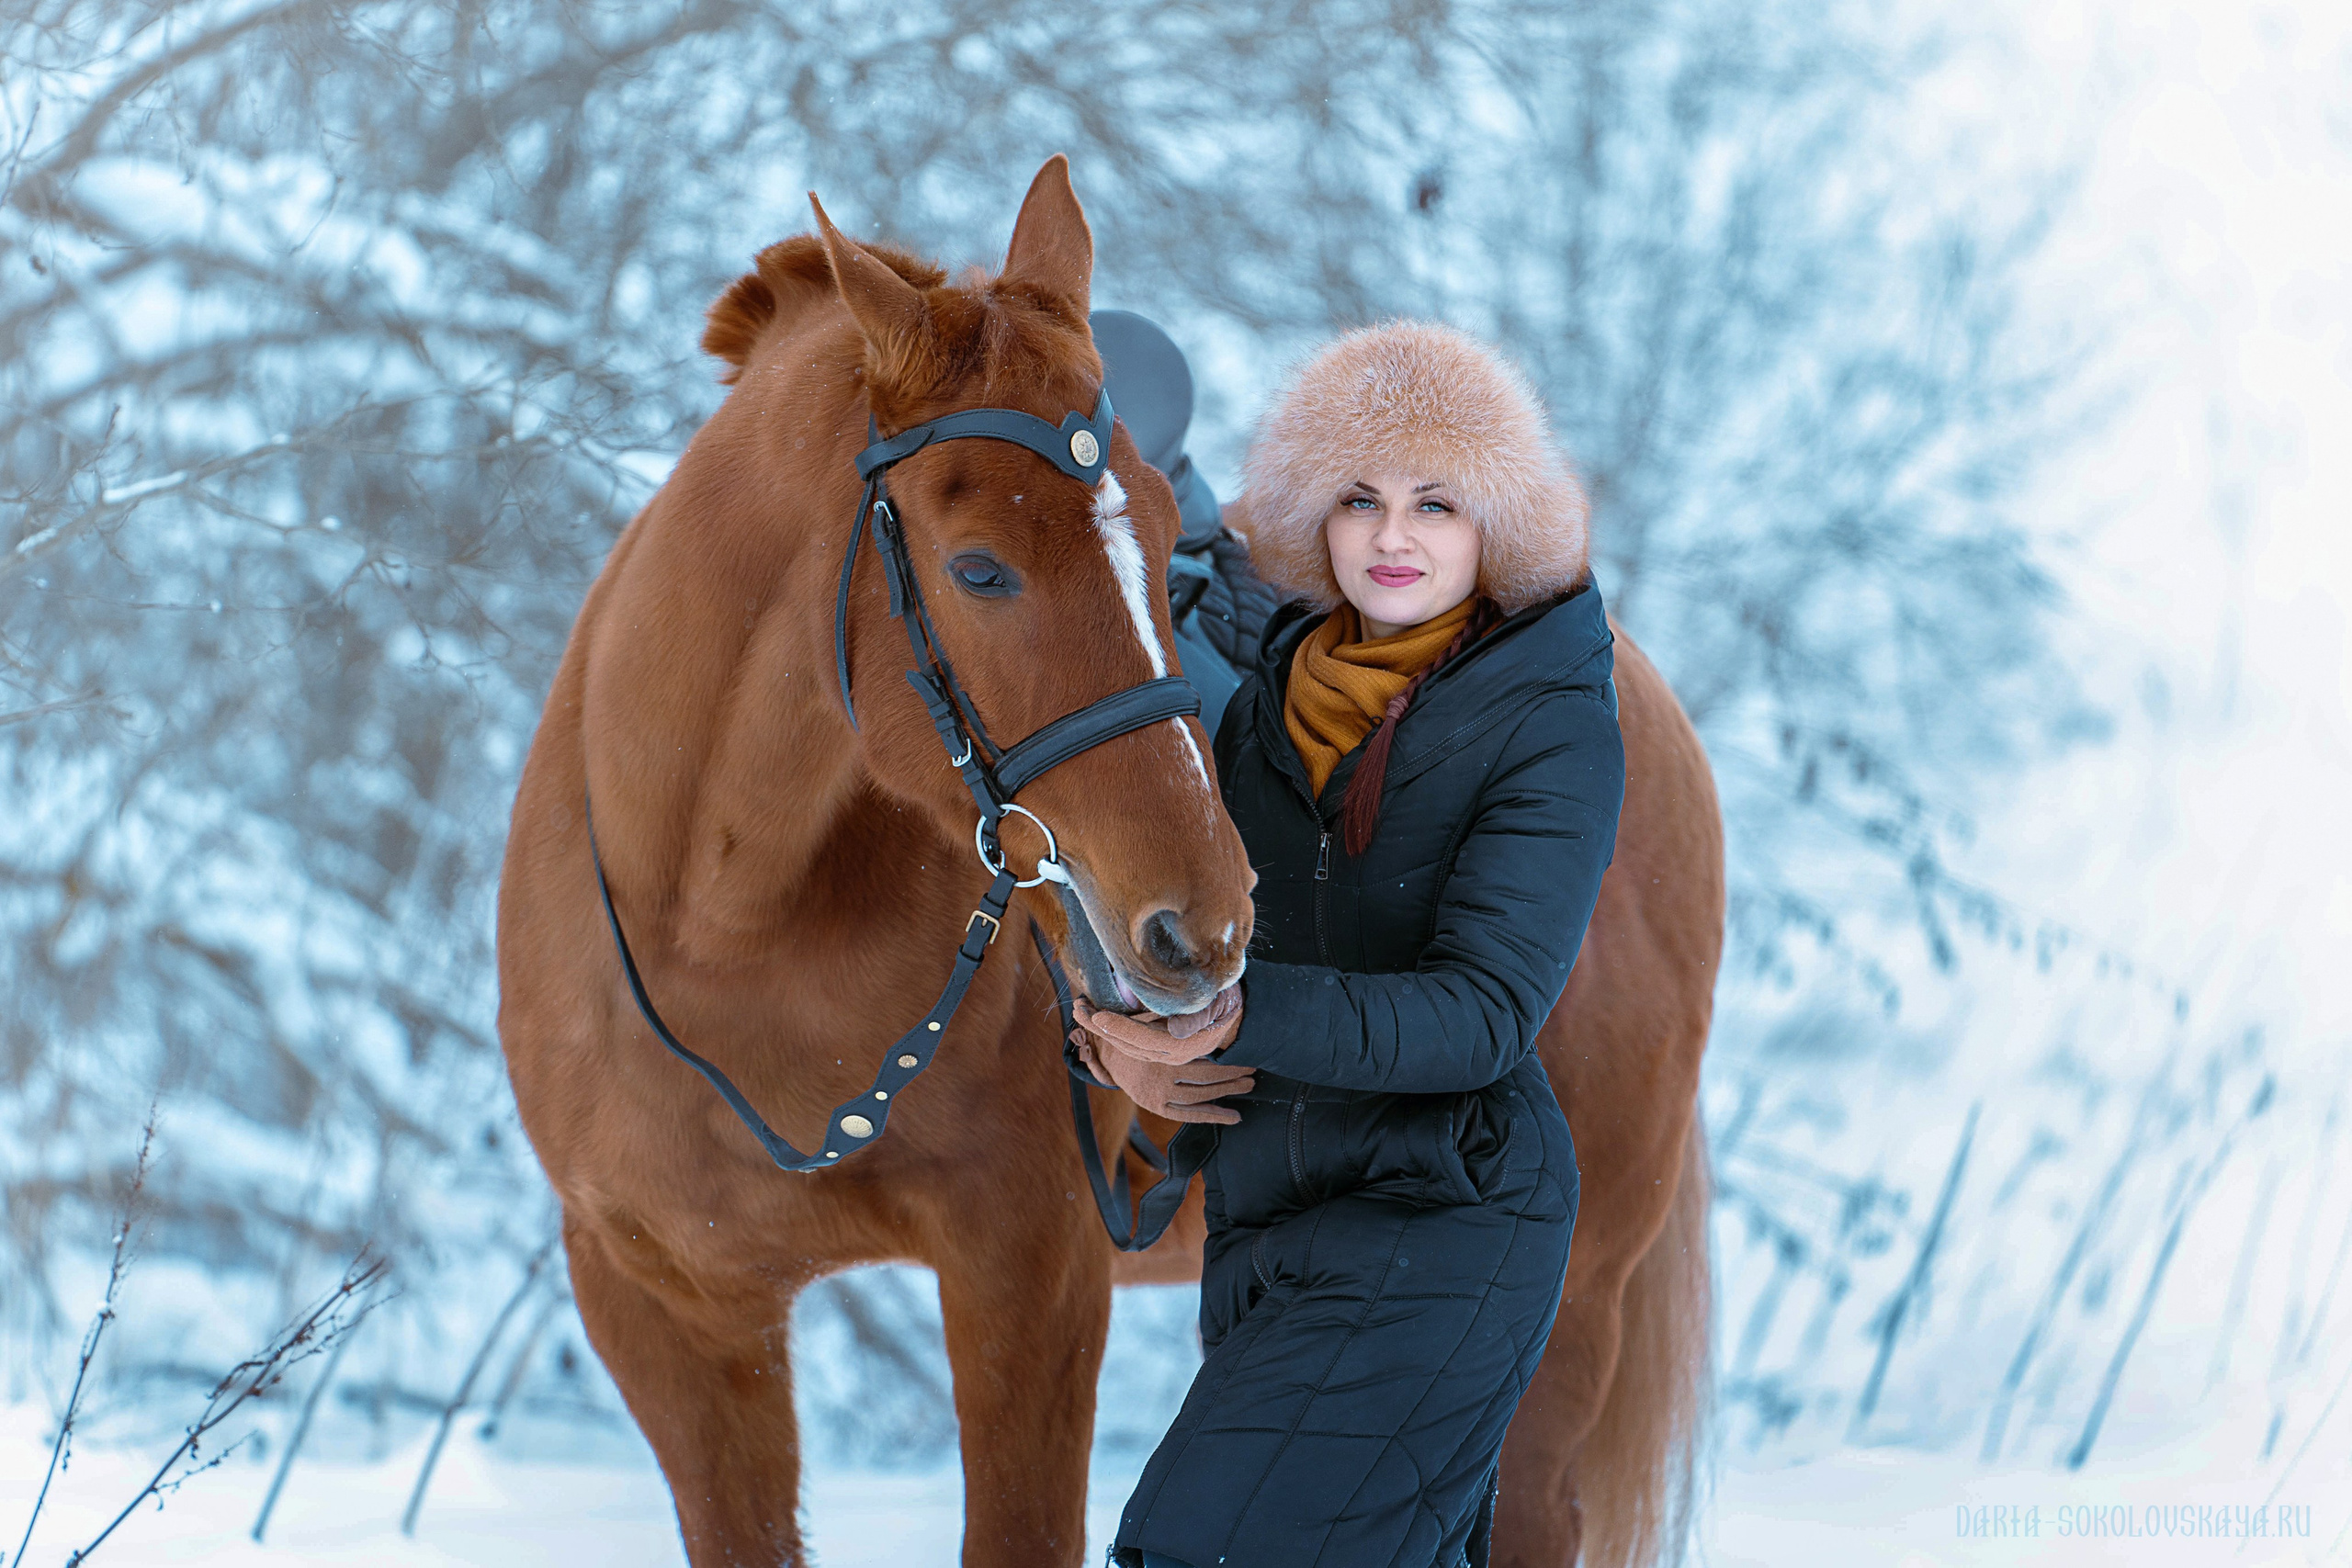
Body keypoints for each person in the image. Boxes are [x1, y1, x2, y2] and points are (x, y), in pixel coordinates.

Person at [1069, 321, 1627, 1568]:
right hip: (1272, 1233)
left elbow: (1483, 1014)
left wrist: (1238, 1019)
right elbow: (1169, 938)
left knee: (1192, 1549)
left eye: (1436, 503)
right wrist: (1124, 1051)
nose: (1392, 536)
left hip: (1449, 1218)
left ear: (1495, 526)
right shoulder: (1267, 707)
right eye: (1360, 498)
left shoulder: (1550, 722)